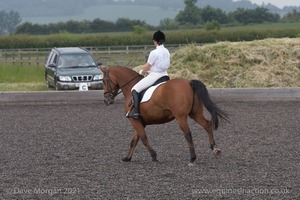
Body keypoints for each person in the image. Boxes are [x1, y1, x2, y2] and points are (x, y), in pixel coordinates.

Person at [126, 30, 170, 119]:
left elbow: (147, 66)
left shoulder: (154, 52)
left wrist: (141, 72)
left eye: (154, 41)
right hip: (165, 75)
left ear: (156, 41)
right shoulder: (167, 51)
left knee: (134, 89)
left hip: (155, 76)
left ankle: (136, 112)